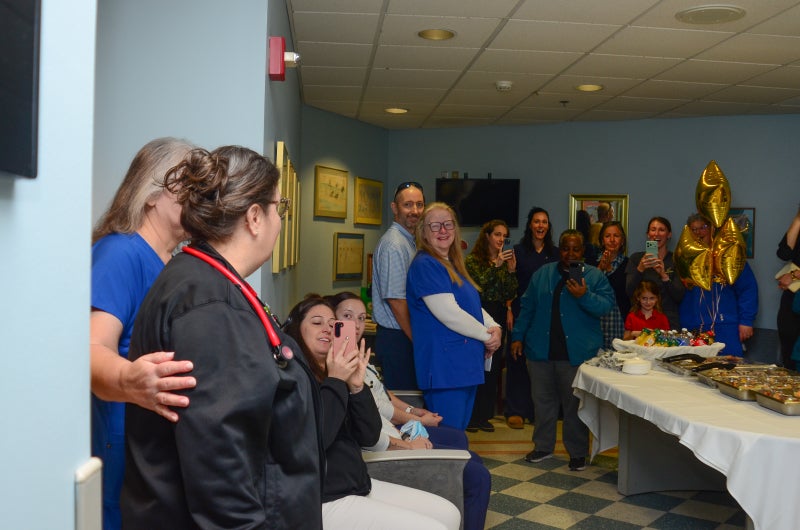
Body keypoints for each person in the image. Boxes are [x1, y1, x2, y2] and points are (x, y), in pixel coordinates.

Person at [121, 146, 323, 528]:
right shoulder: (209, 304)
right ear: (254, 217)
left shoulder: (205, 280)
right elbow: (218, 462)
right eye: (278, 208)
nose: (280, 221)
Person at [90, 137, 197, 530]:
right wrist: (128, 378)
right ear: (152, 193)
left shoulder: (175, 263)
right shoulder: (120, 253)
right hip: (123, 445)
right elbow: (91, 347)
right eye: (189, 184)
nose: (199, 197)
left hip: (158, 447)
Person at [284, 295, 461, 530]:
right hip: (320, 498)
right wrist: (336, 380)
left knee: (448, 513)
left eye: (332, 324)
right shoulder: (291, 376)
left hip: (356, 484)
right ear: (296, 331)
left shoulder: (335, 373)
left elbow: (369, 435)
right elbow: (316, 440)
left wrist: (357, 387)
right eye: (317, 323)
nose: (327, 329)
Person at [328, 291, 491, 530]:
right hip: (384, 452)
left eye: (362, 318)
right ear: (336, 323)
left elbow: (384, 396)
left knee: (467, 454)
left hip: (391, 437)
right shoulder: (337, 371)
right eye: (347, 317)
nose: (356, 325)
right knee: (477, 476)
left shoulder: (358, 359)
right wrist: (410, 436)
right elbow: (371, 426)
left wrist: (414, 412)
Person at [511, 229, 615, 472]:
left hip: (576, 356)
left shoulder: (595, 276)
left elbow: (605, 306)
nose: (570, 253)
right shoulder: (543, 274)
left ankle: (577, 453)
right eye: (565, 248)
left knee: (574, 407)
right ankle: (543, 447)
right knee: (543, 404)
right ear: (560, 249)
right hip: (540, 352)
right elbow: (527, 307)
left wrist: (583, 295)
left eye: (575, 248)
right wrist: (517, 337)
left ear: (583, 250)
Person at [407, 203, 502, 430]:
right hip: (445, 370)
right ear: (423, 232)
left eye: (448, 224)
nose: (443, 230)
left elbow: (472, 307)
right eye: (435, 225)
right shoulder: (425, 265)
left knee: (458, 439)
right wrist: (485, 335)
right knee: (448, 441)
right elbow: (449, 314)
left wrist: (494, 326)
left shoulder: (453, 264)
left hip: (465, 367)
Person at [506, 206, 558, 429]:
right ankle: (516, 410)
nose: (540, 226)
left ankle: (539, 410)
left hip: (546, 315)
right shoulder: (517, 251)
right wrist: (508, 307)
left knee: (541, 363)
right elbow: (509, 284)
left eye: (544, 222)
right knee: (517, 360)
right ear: (530, 225)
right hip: (521, 311)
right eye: (536, 221)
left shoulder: (555, 253)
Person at [464, 219, 518, 432]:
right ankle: (470, 416)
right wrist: (495, 267)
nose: (501, 239)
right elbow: (478, 288)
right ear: (487, 236)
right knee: (476, 365)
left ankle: (484, 416)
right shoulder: (473, 262)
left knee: (493, 367)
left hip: (498, 314)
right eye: (497, 235)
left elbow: (509, 293)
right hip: (478, 314)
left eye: (504, 236)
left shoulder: (504, 262)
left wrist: (511, 271)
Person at [679, 213, 758, 356]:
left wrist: (746, 321)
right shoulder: (684, 259)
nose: (698, 233)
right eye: (693, 229)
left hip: (725, 327)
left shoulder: (729, 255)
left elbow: (747, 289)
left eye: (702, 227)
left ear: (712, 229)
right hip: (693, 328)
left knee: (729, 369)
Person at [372, 181, 425, 389]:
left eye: (419, 205)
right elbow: (396, 300)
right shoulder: (394, 244)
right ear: (395, 208)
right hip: (398, 338)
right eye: (408, 205)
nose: (415, 211)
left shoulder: (409, 242)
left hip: (404, 335)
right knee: (405, 405)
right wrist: (417, 339)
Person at [625, 216, 685, 329]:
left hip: (668, 321)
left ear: (669, 235)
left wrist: (664, 276)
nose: (656, 234)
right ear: (648, 234)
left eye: (661, 230)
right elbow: (629, 291)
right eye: (653, 230)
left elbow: (679, 296)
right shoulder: (636, 259)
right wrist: (640, 269)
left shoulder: (676, 260)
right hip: (641, 321)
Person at [588, 221, 630, 348]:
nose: (612, 240)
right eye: (607, 236)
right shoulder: (591, 262)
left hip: (619, 322)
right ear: (602, 240)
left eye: (616, 236)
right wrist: (600, 269)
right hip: (594, 322)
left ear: (622, 240)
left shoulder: (628, 264)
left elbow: (625, 293)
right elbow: (587, 290)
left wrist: (610, 270)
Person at [776, 204, 800, 370]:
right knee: (788, 338)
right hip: (793, 294)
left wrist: (793, 276)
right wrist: (798, 219)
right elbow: (783, 253)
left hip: (793, 283)